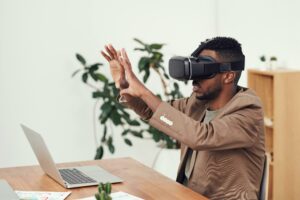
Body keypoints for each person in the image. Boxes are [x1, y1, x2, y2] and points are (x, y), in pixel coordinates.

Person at [101, 37, 265, 200]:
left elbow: (201, 136)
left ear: (228, 76)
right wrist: (126, 87)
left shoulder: (248, 109)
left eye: (205, 70)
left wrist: (143, 90)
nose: (195, 78)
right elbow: (154, 112)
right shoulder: (197, 103)